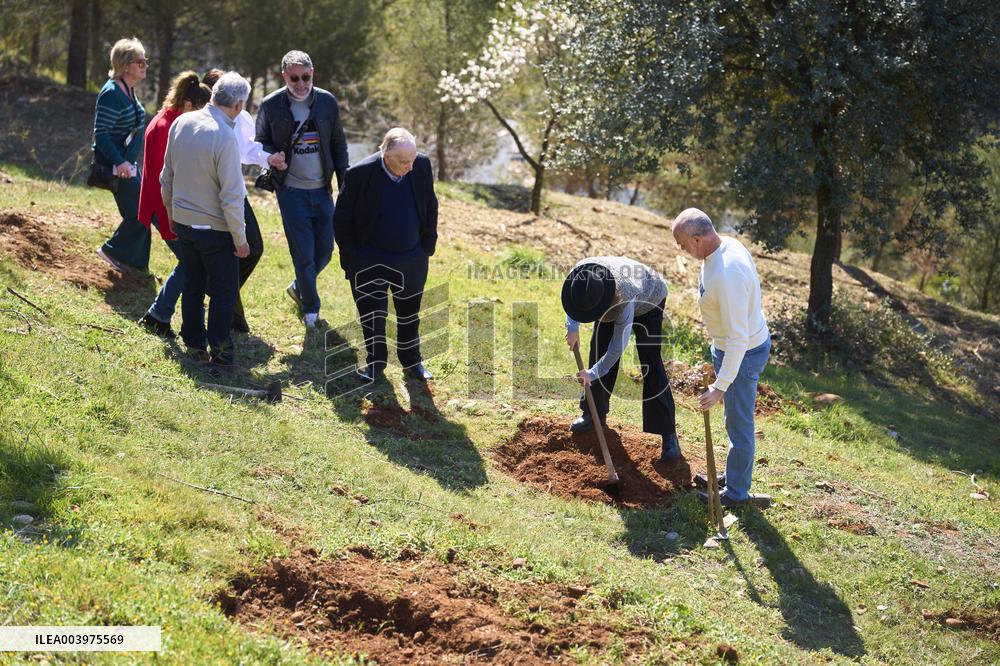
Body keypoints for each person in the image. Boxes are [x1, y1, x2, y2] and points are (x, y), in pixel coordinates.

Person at [671, 208, 771, 507]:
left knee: (739, 425)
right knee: (732, 420)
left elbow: (739, 339)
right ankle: (732, 475)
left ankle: (737, 494)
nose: (681, 250)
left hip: (743, 352)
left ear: (698, 238)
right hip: (729, 346)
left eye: (682, 243)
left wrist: (720, 386)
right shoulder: (719, 249)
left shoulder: (728, 273)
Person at [333, 128, 438, 382]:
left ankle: (412, 361)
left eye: (412, 159)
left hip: (411, 256)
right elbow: (342, 220)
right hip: (371, 257)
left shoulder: (421, 165)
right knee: (373, 314)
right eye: (404, 161)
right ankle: (375, 364)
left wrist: (427, 246)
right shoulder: (360, 174)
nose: (410, 166)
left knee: (409, 313)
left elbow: (430, 204)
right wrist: (352, 258)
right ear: (385, 154)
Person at [160, 72, 251, 365]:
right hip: (215, 229)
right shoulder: (225, 137)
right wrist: (241, 239)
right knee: (224, 292)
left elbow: (167, 177)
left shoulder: (182, 122)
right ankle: (221, 351)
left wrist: (171, 214)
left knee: (194, 283)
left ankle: (194, 341)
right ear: (238, 105)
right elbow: (232, 197)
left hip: (185, 221)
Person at [255, 50, 349, 328]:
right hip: (291, 191)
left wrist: (345, 184)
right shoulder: (271, 105)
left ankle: (299, 286)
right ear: (284, 76)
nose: (300, 83)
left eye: (305, 77)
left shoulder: (327, 102)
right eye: (294, 77)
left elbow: (338, 145)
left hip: (322, 190)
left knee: (325, 252)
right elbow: (260, 142)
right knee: (304, 254)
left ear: (312, 73)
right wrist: (273, 156)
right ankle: (311, 307)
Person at [562, 257, 681, 461]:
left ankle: (668, 434)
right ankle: (593, 414)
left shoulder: (624, 294)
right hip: (605, 297)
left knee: (650, 361)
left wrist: (592, 373)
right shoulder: (581, 279)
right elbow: (572, 303)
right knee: (598, 349)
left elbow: (617, 346)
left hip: (649, 300)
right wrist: (572, 328)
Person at [202, 69, 286, 333]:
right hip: (211, 194)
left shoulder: (243, 118)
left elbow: (247, 149)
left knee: (254, 248)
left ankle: (221, 297)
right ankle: (227, 309)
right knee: (233, 251)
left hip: (235, 192)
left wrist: (268, 159)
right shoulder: (197, 120)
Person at [135, 71, 212, 338]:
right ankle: (158, 315)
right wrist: (172, 216)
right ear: (189, 105)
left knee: (192, 260)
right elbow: (163, 178)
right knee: (192, 260)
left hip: (170, 205)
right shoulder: (167, 127)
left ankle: (160, 315)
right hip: (164, 207)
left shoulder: (171, 119)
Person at [94, 37, 150, 272]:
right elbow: (101, 134)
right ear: (126, 65)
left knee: (141, 213)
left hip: (128, 164)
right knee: (140, 214)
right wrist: (120, 162)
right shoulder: (111, 93)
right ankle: (111, 251)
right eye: (140, 62)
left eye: (146, 61)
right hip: (117, 166)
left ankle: (137, 267)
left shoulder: (128, 90)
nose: (145, 65)